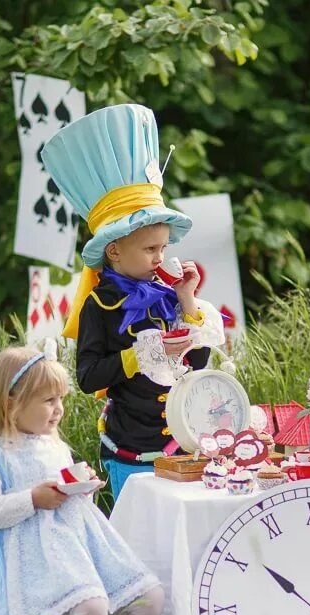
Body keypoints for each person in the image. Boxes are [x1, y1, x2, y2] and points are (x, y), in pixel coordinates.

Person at [41, 104, 225, 498]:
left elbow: (197, 363)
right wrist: (137, 357)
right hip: (130, 451)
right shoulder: (100, 304)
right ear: (114, 252)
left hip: (180, 444)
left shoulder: (167, 297)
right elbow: (88, 378)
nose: (160, 257)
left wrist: (186, 299)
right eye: (149, 249)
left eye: (163, 247)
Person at [0, 343, 164, 615]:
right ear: (11, 403)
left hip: (82, 547)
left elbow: (64, 492)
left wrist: (78, 484)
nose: (58, 410)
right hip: (35, 560)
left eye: (60, 400)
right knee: (93, 607)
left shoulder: (53, 444)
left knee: (150, 597)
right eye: (48, 401)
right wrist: (32, 499)